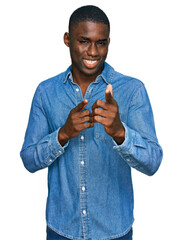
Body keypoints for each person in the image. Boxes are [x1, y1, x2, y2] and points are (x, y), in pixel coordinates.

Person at [20, 5, 163, 240]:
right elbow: (28, 160)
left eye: (101, 42)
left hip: (114, 232)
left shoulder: (132, 91)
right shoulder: (46, 92)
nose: (93, 51)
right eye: (84, 41)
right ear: (67, 39)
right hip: (61, 230)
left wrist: (120, 132)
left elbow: (153, 163)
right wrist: (62, 134)